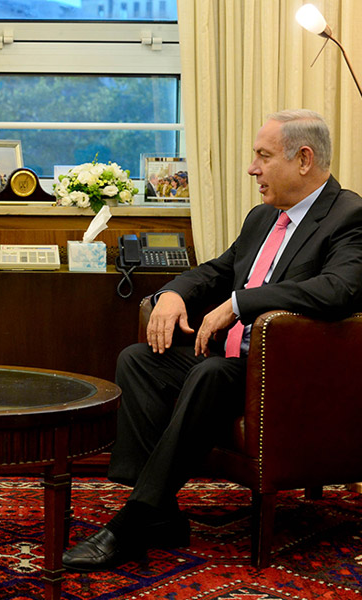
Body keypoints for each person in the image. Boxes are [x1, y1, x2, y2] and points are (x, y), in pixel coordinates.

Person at [62, 109, 362, 572]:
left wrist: (242, 303)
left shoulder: (349, 215)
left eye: (262, 156)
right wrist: (171, 294)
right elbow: (217, 271)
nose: (252, 168)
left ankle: (134, 521)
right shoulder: (263, 217)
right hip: (235, 364)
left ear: (303, 159)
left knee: (212, 372)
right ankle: (161, 513)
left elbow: (339, 289)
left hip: (290, 377)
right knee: (139, 360)